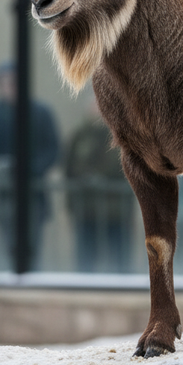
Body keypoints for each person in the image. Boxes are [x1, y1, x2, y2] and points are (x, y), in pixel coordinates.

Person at [0, 62, 61, 270]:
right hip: (3, 195)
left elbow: (53, 150)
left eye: (13, 82)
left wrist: (30, 169)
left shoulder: (41, 112)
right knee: (5, 246)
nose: (9, 87)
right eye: (4, 83)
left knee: (32, 245)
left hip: (33, 193)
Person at [65, 94, 133, 272]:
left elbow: (124, 167)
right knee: (85, 257)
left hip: (115, 209)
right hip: (86, 208)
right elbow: (69, 168)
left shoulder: (122, 135)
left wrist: (100, 178)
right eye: (94, 104)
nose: (97, 109)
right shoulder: (80, 135)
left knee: (119, 257)